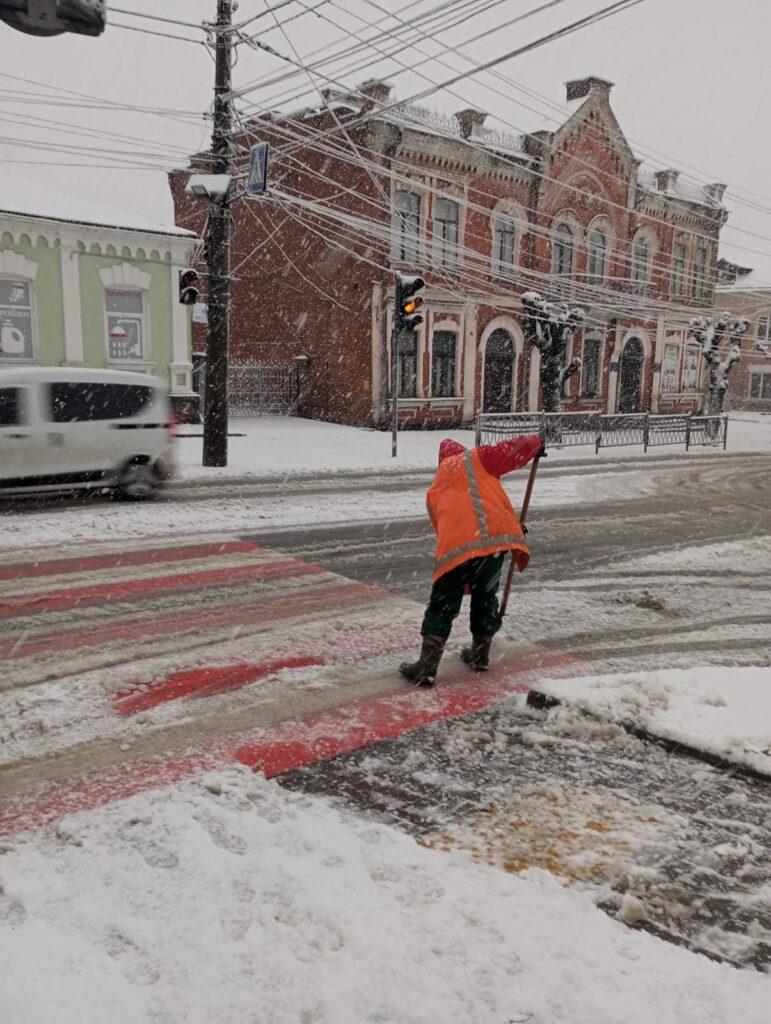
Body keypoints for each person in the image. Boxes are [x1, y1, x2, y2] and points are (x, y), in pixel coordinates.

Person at [399, 434, 543, 687]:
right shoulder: (478, 458)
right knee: (485, 596)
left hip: (456, 550)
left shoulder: (436, 485)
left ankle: (427, 666)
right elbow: (516, 449)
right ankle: (480, 656)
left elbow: (443, 525)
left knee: (442, 604)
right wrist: (537, 442)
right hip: (492, 544)